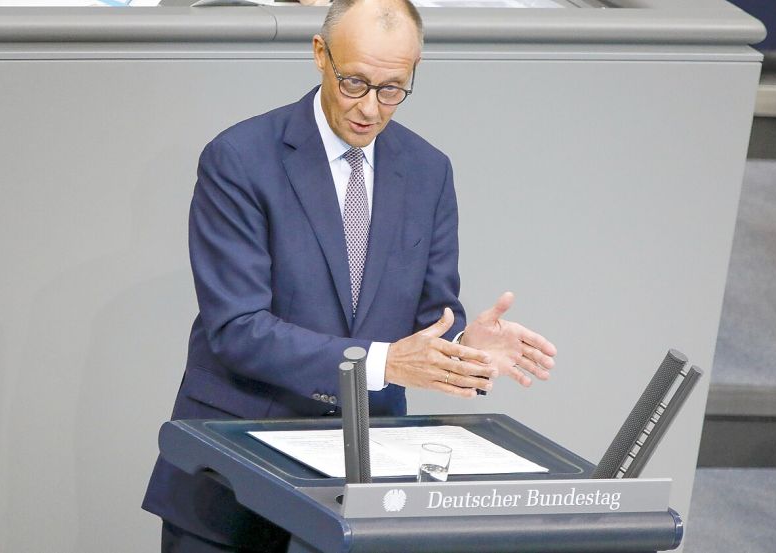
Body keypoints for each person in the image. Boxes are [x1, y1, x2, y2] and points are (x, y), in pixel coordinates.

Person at [143, 0, 557, 550]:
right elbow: (238, 327)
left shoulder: (428, 170)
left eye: (392, 89)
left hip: (363, 487)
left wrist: (463, 346)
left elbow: (430, 314)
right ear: (320, 55)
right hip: (236, 475)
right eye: (355, 83)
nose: (370, 107)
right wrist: (383, 362)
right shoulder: (239, 159)